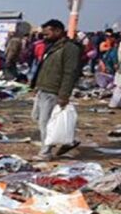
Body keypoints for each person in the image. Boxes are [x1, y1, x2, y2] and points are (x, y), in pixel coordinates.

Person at [30, 19, 82, 161]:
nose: (44, 37)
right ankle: (69, 141)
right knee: (38, 118)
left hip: (53, 90)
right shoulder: (53, 46)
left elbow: (69, 73)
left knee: (45, 122)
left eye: (47, 34)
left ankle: (45, 152)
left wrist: (64, 94)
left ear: (58, 31)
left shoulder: (70, 48)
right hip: (44, 88)